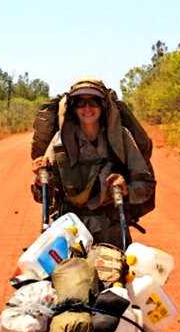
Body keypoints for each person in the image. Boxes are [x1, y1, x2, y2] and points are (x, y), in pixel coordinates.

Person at [31, 80, 155, 248]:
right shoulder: (60, 141)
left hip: (111, 230)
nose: (87, 108)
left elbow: (146, 186)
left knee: (116, 272)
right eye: (80, 103)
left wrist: (126, 190)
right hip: (69, 231)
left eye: (93, 102)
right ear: (73, 108)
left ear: (103, 106)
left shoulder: (121, 138)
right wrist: (41, 180)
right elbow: (41, 196)